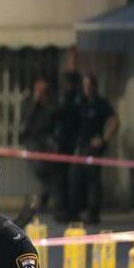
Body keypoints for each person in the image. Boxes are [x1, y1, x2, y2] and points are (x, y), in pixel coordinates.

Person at [71, 74, 119, 224]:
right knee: (76, 178)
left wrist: (103, 139)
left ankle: (93, 213)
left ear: (94, 87)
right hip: (79, 146)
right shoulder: (79, 102)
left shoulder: (100, 104)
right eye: (85, 86)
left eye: (89, 86)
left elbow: (115, 121)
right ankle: (76, 212)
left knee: (93, 180)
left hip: (92, 148)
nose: (87, 89)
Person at [19, 76, 58, 217]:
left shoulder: (51, 104)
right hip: (33, 141)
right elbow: (26, 121)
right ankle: (36, 201)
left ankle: (44, 202)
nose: (41, 93)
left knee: (48, 173)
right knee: (39, 169)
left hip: (47, 142)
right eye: (39, 90)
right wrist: (35, 103)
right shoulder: (29, 103)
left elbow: (54, 120)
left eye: (44, 91)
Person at [55, 72, 82, 222]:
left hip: (72, 144)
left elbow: (65, 116)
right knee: (64, 180)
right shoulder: (68, 97)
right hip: (65, 144)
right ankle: (66, 211)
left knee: (71, 180)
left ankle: (71, 211)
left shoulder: (76, 100)